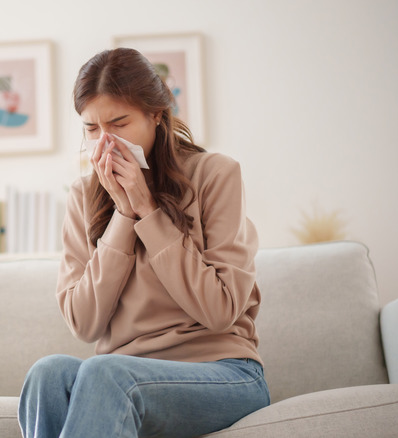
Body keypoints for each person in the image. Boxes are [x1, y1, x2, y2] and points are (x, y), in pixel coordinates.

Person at [18, 48, 270, 438]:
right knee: (47, 374)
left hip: (223, 373)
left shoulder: (215, 175)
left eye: (119, 123)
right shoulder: (84, 196)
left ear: (156, 114)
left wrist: (147, 211)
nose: (106, 142)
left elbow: (220, 310)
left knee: (106, 374)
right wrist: (122, 216)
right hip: (120, 375)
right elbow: (84, 324)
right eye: (91, 129)